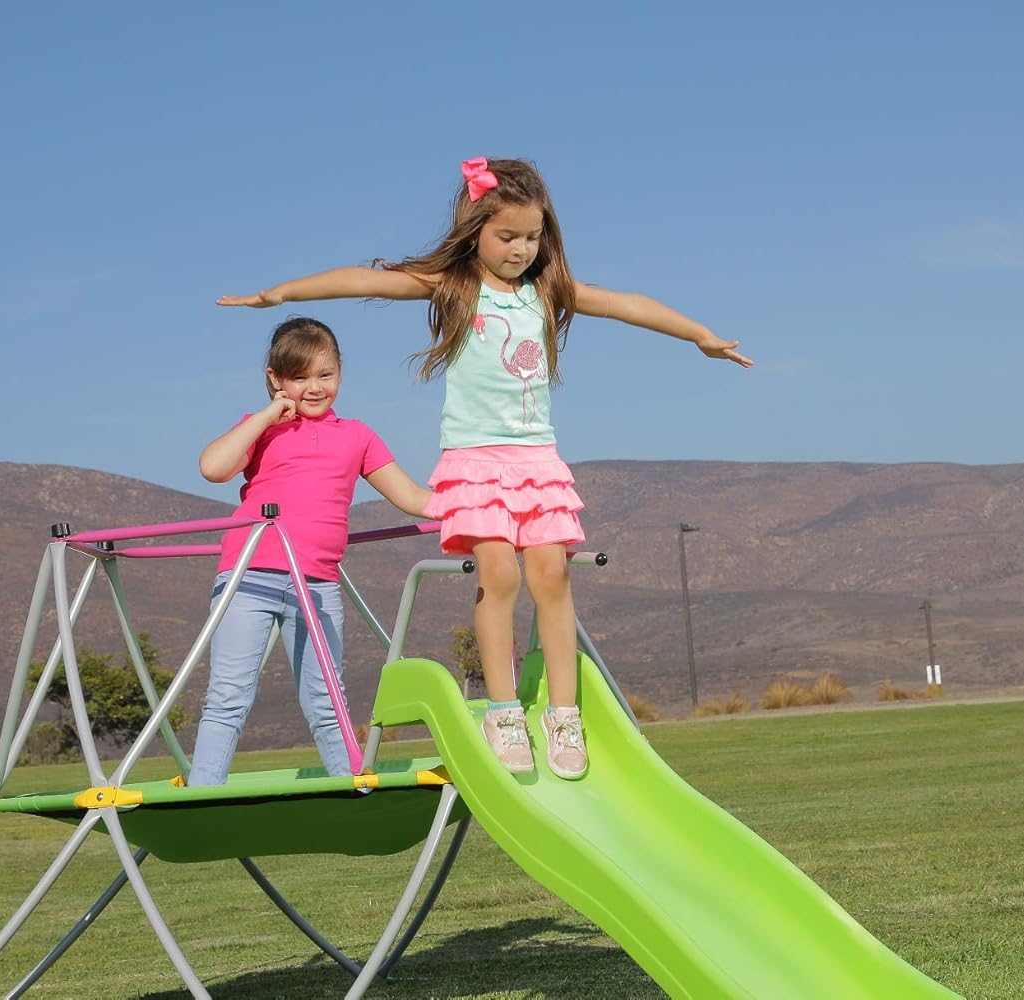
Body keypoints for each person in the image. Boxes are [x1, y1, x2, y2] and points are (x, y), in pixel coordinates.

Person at [217, 157, 751, 780]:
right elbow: (366, 282)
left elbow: (626, 303)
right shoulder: (455, 285)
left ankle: (562, 713)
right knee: (498, 572)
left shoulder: (546, 290)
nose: (522, 249)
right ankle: (502, 711)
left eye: (533, 236)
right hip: (474, 459)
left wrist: (700, 335)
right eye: (508, 237)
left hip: (536, 457)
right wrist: (281, 293)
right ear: (477, 231)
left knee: (551, 575)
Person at [188, 316, 431, 784]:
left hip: (316, 585)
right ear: (275, 380)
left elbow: (413, 498)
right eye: (299, 378)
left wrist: (475, 503)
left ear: (341, 372)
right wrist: (265, 416)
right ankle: (202, 795)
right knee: (228, 696)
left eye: (325, 375)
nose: (314, 388)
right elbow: (213, 468)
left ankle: (353, 789)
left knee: (327, 700)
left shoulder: (357, 435)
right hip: (249, 578)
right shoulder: (260, 429)